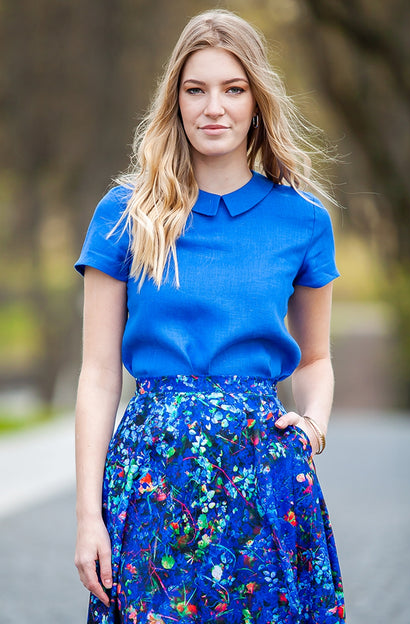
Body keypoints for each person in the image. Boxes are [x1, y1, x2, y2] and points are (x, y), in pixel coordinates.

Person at [74, 8, 345, 624]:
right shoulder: (125, 214)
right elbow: (98, 375)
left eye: (233, 89)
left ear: (257, 100)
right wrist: (89, 517)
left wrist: (313, 426)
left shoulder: (303, 220)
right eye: (195, 90)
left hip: (265, 479)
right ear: (175, 100)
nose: (214, 108)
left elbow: (317, 358)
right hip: (153, 481)